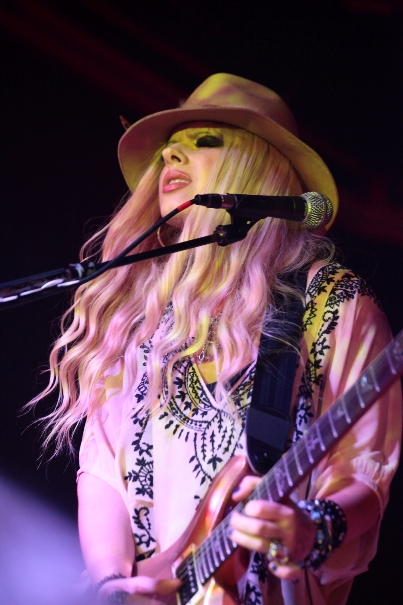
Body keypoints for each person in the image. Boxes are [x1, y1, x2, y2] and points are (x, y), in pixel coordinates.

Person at [35, 73, 401, 605]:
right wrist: (114, 583)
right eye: (167, 152)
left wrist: (311, 528)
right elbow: (102, 469)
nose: (171, 160)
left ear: (256, 169)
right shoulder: (141, 313)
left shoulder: (334, 307)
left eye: (202, 143)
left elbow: (365, 472)